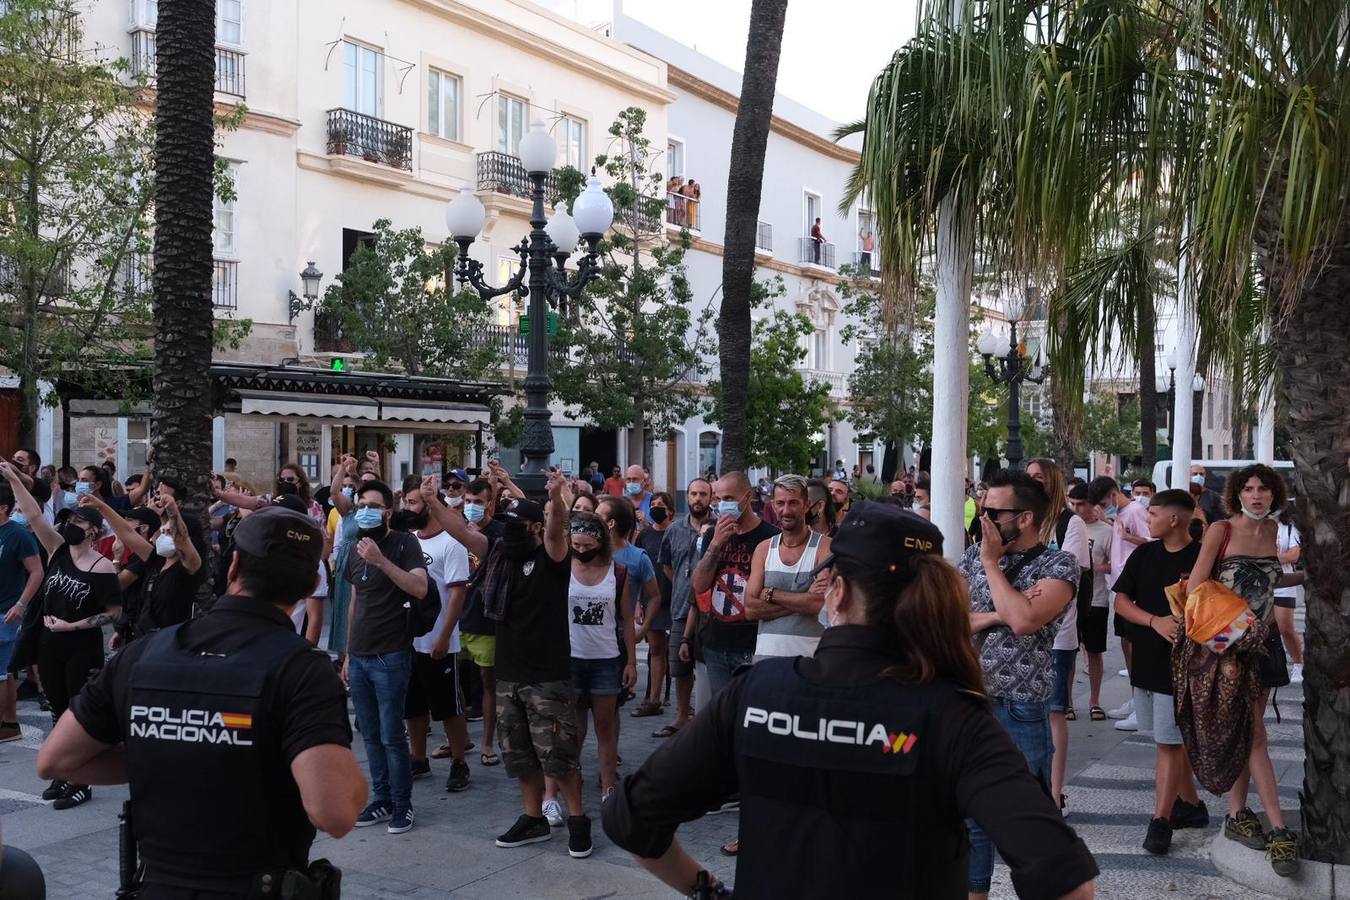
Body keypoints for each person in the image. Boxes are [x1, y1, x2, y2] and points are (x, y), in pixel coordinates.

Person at [602, 502, 1099, 899]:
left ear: (836, 594)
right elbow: (1065, 878)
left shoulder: (757, 692)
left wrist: (706, 889)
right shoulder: (954, 716)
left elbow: (631, 817)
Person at [36, 506, 367, 898]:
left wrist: (171, 748)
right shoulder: (303, 670)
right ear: (312, 585)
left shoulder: (143, 653)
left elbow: (56, 761)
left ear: (234, 566)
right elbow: (335, 813)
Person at [961, 469, 1080, 899]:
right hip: (968, 700)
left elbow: (1027, 620)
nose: (983, 520)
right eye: (981, 509)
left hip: (1019, 707)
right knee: (970, 821)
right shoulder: (971, 557)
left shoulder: (1058, 564)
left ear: (1025, 518)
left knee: (1026, 820)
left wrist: (993, 566)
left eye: (993, 512)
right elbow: (949, 618)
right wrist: (998, 614)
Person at [1191, 464, 1300, 876]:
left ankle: (1237, 814)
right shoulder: (1221, 531)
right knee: (1255, 733)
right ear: (1237, 494)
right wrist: (1236, 629)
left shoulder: (1277, 533)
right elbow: (1198, 587)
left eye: (1264, 489)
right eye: (1249, 489)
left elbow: (1273, 583)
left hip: (1265, 646)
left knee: (1247, 730)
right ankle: (1278, 828)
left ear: (1275, 495)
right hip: (1227, 646)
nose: (1256, 496)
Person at [477, 474, 594, 859]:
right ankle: (533, 819)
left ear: (535, 528)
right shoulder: (499, 558)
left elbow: (558, 531)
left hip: (547, 677)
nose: (509, 530)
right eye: (506, 523)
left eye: (517, 525)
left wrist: (559, 498)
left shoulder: (552, 558)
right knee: (520, 756)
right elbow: (464, 532)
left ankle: (577, 821)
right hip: (510, 675)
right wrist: (433, 503)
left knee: (559, 757)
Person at [2, 461, 120, 810]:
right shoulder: (57, 552)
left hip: (81, 648)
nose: (71, 526)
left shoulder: (102, 567)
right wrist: (13, 479)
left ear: (94, 532)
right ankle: (64, 773)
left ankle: (82, 781)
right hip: (50, 645)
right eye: (69, 521)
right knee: (56, 710)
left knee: (76, 713)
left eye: (79, 522)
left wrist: (74, 625)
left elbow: (114, 613)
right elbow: (35, 516)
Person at [1110, 489, 1209, 856]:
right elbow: (1121, 601)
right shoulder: (1144, 554)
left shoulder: (1202, 557)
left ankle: (1161, 821)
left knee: (1168, 743)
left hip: (1183, 665)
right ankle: (1192, 805)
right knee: (1165, 738)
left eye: (1152, 514)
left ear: (1174, 519)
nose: (1145, 519)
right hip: (1147, 661)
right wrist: (1153, 621)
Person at [341, 479, 428, 836]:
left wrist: (381, 562)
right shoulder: (352, 547)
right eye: (362, 504)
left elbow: (420, 587)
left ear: (388, 512)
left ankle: (403, 804)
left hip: (390, 655)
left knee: (393, 735)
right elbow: (355, 601)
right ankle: (381, 798)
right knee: (371, 735)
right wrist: (347, 653)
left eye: (373, 506)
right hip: (360, 655)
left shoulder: (403, 544)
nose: (366, 511)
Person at [554, 510, 635, 808]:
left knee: (605, 725)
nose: (582, 551)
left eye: (588, 546)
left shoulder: (618, 573)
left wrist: (631, 663)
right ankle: (570, 781)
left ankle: (609, 785)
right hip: (572, 658)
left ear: (601, 543)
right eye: (577, 545)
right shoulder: (564, 568)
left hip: (606, 659)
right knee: (573, 727)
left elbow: (626, 620)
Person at [423, 475, 505, 767]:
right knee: (452, 685)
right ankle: (458, 739)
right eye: (468, 501)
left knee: (487, 683)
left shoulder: (498, 533)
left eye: (478, 502)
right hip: (457, 619)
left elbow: (474, 541)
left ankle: (486, 743)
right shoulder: (452, 529)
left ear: (489, 503)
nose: (471, 507)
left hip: (484, 621)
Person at [399, 475, 472, 793]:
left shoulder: (451, 542)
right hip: (409, 638)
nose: (408, 506)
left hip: (440, 639)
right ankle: (418, 758)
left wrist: (444, 636)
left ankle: (459, 760)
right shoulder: (406, 539)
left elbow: (457, 594)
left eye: (414, 501)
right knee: (412, 704)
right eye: (406, 501)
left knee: (448, 706)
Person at [1025, 458, 1088, 812]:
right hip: (1021, 629)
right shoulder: (1022, 519)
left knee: (1054, 712)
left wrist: (1034, 589)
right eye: (1029, 477)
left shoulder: (1070, 522)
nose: (1034, 482)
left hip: (1058, 632)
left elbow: (1067, 573)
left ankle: (1053, 790)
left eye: (1040, 477)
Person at [690, 472, 779, 695]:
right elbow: (699, 584)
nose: (722, 505)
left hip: (752, 644)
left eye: (729, 499)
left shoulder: (771, 538)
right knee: (721, 715)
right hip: (716, 643)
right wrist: (716, 544)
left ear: (747, 497)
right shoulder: (714, 534)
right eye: (718, 499)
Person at [1088, 475, 1151, 730]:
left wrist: (1129, 538)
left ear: (1115, 494)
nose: (1103, 509)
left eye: (1104, 503)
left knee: (1135, 645)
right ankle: (1136, 699)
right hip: (1121, 585)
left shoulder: (1135, 511)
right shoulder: (1122, 514)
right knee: (1126, 644)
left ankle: (1143, 706)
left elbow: (1152, 541)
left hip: (1134, 588)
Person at [747, 474, 830, 659]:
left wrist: (770, 593)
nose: (786, 510)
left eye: (793, 503)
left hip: (809, 665)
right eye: (780, 503)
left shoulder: (824, 547)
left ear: (807, 505)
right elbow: (751, 609)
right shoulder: (764, 549)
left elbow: (820, 604)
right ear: (773, 505)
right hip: (765, 663)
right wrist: (803, 599)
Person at [596, 496, 660, 717]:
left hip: (618, 640)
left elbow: (655, 596)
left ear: (611, 523)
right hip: (589, 637)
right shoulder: (588, 551)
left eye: (598, 515)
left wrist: (643, 629)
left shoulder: (637, 558)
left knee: (610, 710)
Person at [658, 478, 711, 739]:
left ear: (710, 498)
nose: (698, 498)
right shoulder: (674, 529)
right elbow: (667, 565)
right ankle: (681, 715)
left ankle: (706, 717)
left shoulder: (718, 529)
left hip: (710, 611)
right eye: (693, 493)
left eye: (703, 494)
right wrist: (683, 586)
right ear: (687, 497)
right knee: (679, 666)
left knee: (706, 667)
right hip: (680, 608)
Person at [0, 483, 44, 743]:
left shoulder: (17, 535)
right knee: (5, 673)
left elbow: (37, 571)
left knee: (2, 673)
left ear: (3, 508)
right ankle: (10, 724)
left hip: (6, 612)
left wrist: (21, 604)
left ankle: (7, 723)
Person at [1067, 483, 1112, 719]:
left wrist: (1091, 566)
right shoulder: (1064, 526)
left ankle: (1095, 700)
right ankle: (1068, 701)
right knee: (1068, 651)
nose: (1076, 509)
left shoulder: (1106, 531)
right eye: (1072, 503)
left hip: (1096, 598)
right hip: (1068, 600)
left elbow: (1116, 564)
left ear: (1092, 504)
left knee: (1094, 651)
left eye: (1081, 504)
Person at [634, 491, 675, 718]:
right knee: (656, 649)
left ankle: (678, 696)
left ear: (670, 510)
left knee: (677, 650)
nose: (657, 508)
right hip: (653, 599)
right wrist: (639, 602)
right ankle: (654, 699)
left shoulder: (677, 532)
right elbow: (639, 571)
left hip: (674, 598)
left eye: (662, 505)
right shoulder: (644, 536)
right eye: (654, 504)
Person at [1274, 505, 1303, 684]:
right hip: (1255, 585)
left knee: (1285, 628)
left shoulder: (1289, 528)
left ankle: (1299, 663)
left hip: (1284, 583)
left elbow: (1293, 555)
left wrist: (1265, 558)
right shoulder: (1252, 527)